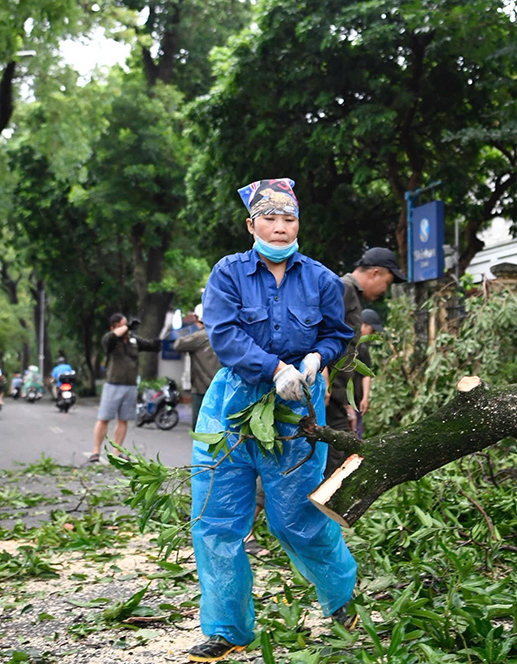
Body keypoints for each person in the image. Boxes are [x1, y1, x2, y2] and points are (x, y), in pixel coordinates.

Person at [188, 177, 357, 662]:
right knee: (216, 519)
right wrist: (274, 368)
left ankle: (341, 600)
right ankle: (226, 628)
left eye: (288, 219)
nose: (280, 227)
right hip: (232, 408)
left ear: (298, 224)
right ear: (251, 225)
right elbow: (223, 334)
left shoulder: (321, 279)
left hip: (296, 411)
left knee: (296, 518)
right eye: (269, 218)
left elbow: (337, 334)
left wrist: (316, 359)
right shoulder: (228, 273)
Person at [324, 247, 405, 475]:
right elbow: (320, 332)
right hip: (326, 393)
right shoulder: (343, 288)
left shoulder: (351, 293)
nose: (384, 290)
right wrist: (322, 371)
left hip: (337, 397)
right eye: (386, 283)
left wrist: (346, 402)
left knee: (341, 454)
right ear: (375, 273)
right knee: (336, 459)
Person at [91, 314, 160, 463]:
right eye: (122, 325)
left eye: (126, 325)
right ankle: (96, 451)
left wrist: (158, 342)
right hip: (113, 385)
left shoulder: (133, 340)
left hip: (130, 386)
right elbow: (110, 338)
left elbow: (151, 345)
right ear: (113, 327)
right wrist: (127, 327)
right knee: (103, 418)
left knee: (123, 420)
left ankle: (117, 452)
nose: (126, 328)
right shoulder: (110, 341)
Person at [172, 304, 220, 429]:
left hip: (201, 388)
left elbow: (178, 344)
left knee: (200, 426)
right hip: (220, 387)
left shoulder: (199, 336)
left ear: (195, 317)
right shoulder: (220, 332)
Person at [353, 308, 384, 436]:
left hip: (356, 399)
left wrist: (365, 398)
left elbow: (366, 374)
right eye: (372, 329)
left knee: (356, 432)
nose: (373, 333)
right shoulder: (348, 345)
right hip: (343, 399)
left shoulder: (363, 349)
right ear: (363, 325)